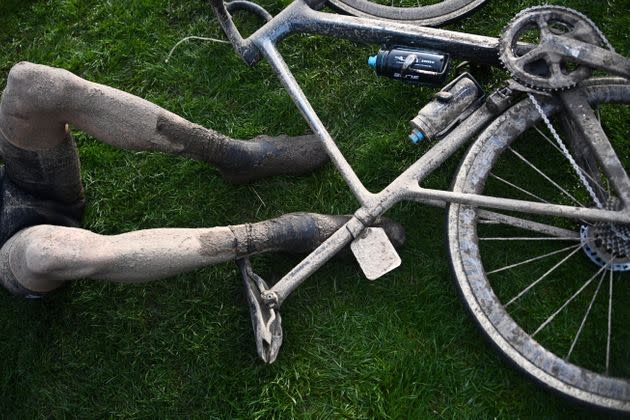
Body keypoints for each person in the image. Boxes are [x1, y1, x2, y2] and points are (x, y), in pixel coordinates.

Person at [0, 61, 404, 298]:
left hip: (21, 179)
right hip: (14, 245)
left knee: (30, 82)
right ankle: (279, 233)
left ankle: (235, 156)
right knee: (47, 256)